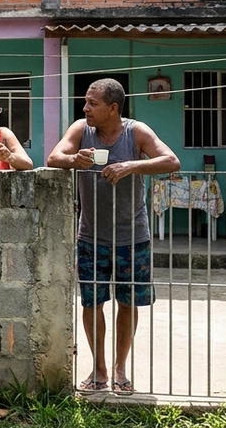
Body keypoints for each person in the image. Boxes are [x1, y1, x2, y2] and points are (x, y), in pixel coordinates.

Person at [46, 78, 180, 392]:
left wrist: (130, 166)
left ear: (113, 108)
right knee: (92, 304)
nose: (85, 107)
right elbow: (54, 158)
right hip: (91, 237)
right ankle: (99, 369)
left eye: (93, 103)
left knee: (128, 303)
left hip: (133, 236)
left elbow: (171, 160)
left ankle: (120, 369)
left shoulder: (137, 132)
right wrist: (73, 160)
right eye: (86, 102)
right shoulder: (81, 130)